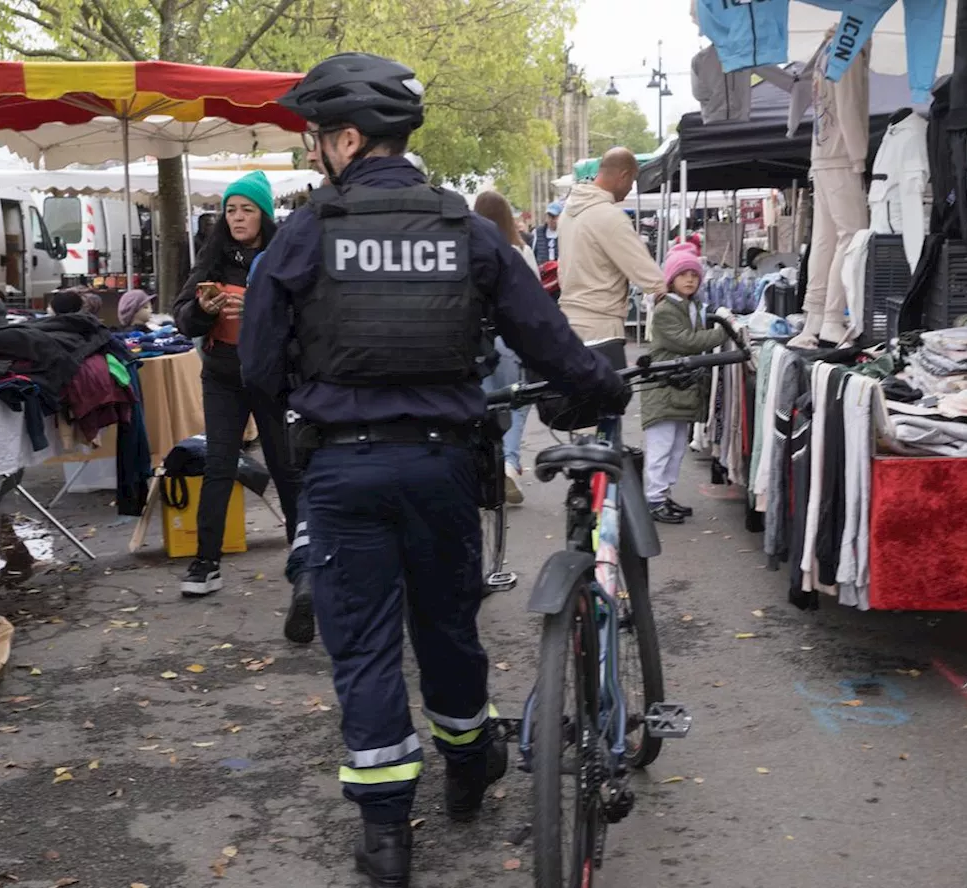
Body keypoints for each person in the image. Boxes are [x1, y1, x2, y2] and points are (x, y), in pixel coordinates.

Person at [240, 52, 631, 887]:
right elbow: (549, 342)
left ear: (347, 139)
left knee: (366, 647)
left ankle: (387, 838)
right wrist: (602, 387)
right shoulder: (466, 229)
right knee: (447, 627)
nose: (315, 153)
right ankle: (468, 764)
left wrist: (315, 394)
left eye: (319, 139)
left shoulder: (306, 235)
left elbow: (259, 369)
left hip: (343, 473)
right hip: (442, 467)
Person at [172, 170, 302, 601]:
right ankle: (206, 562)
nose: (237, 217)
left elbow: (304, 316)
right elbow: (183, 316)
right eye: (230, 210)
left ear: (263, 214)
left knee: (286, 467)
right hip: (223, 375)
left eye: (247, 209)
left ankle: (303, 560)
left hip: (271, 377)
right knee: (219, 464)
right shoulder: (213, 256)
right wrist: (203, 309)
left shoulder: (284, 255)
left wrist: (260, 308)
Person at [641, 243, 728, 525]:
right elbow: (687, 342)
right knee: (661, 447)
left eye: (694, 274)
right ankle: (654, 498)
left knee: (676, 447)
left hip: (678, 390)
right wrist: (723, 333)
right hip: (664, 390)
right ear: (671, 279)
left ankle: (663, 495)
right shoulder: (667, 309)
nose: (690, 279)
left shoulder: (692, 307)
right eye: (683, 274)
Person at [557, 147, 665, 342]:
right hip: (601, 325)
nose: (631, 187)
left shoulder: (566, 213)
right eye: (632, 181)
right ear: (623, 176)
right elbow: (646, 274)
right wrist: (667, 290)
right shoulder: (611, 217)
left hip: (568, 320)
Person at [473, 189, 539, 503]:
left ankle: (484, 467)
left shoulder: (468, 249)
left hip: (481, 341)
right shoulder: (521, 251)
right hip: (514, 339)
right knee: (517, 404)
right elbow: (534, 301)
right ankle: (510, 464)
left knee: (486, 406)